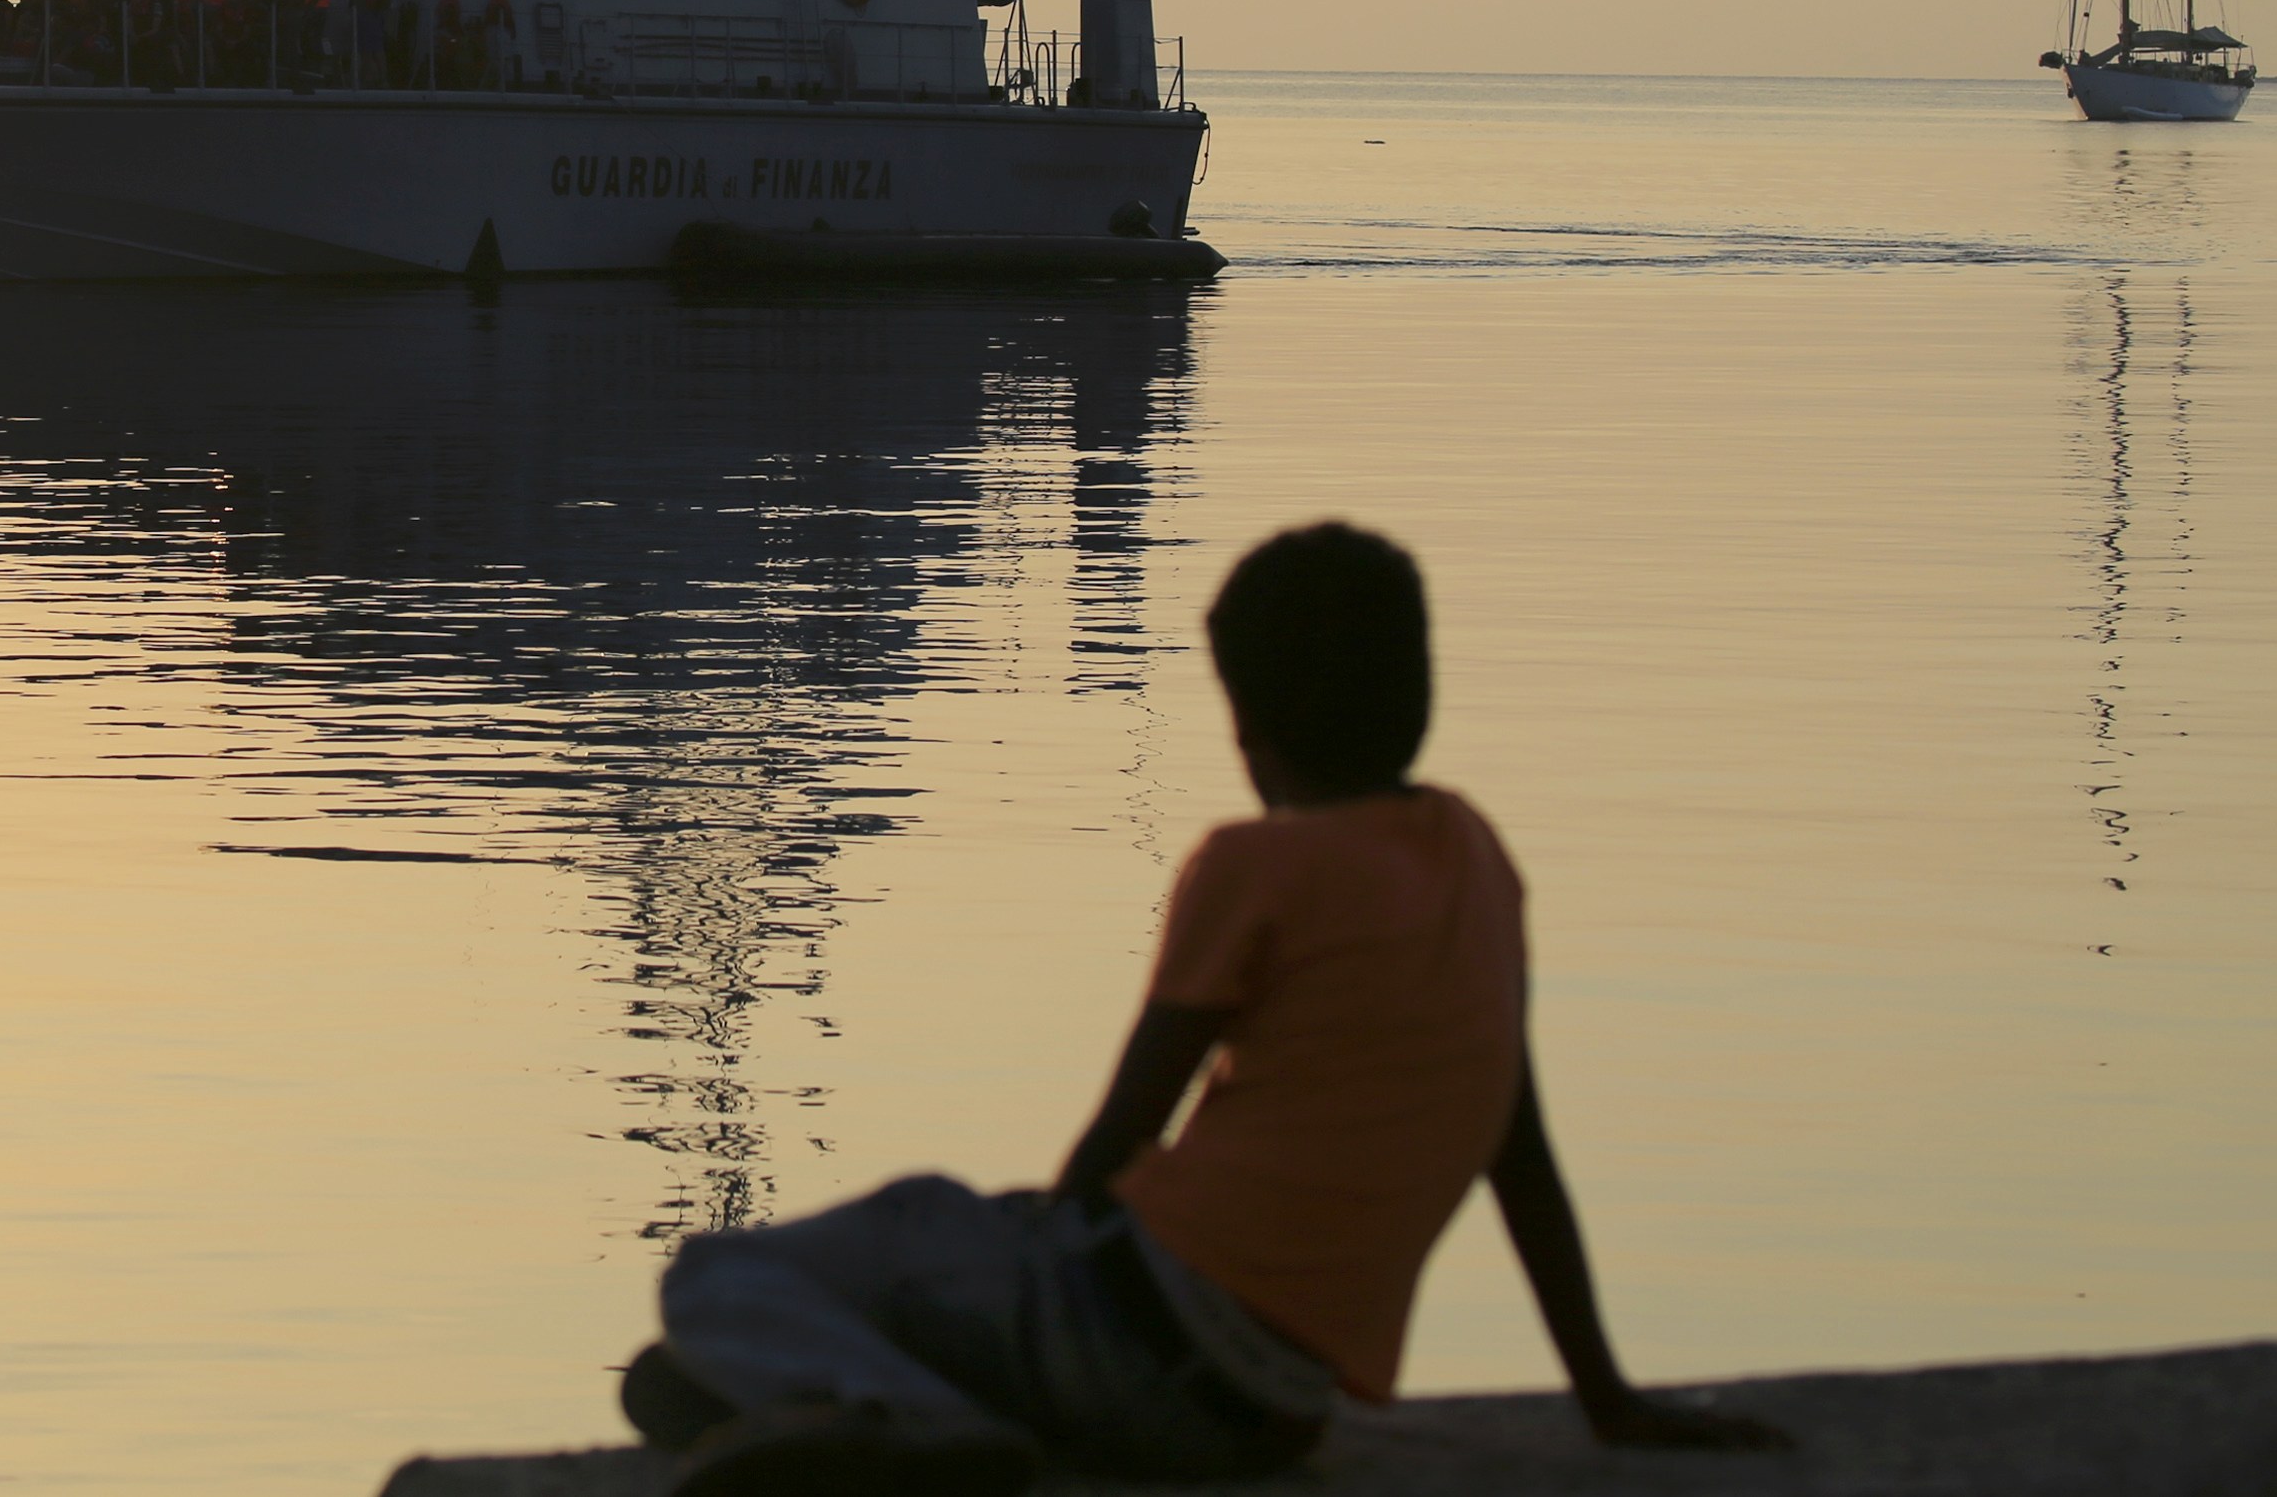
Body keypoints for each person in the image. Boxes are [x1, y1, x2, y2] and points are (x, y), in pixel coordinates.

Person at [628, 524, 1789, 1496]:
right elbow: (1519, 1154)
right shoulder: (1477, 859)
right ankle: (899, 1418)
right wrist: (1608, 1399)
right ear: (1421, 693)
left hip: (1132, 1337)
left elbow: (1126, 1129)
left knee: (718, 1282)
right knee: (673, 1383)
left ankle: (922, 1429)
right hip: (1264, 1414)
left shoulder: (1255, 865)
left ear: (1250, 730)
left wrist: (1048, 1232)